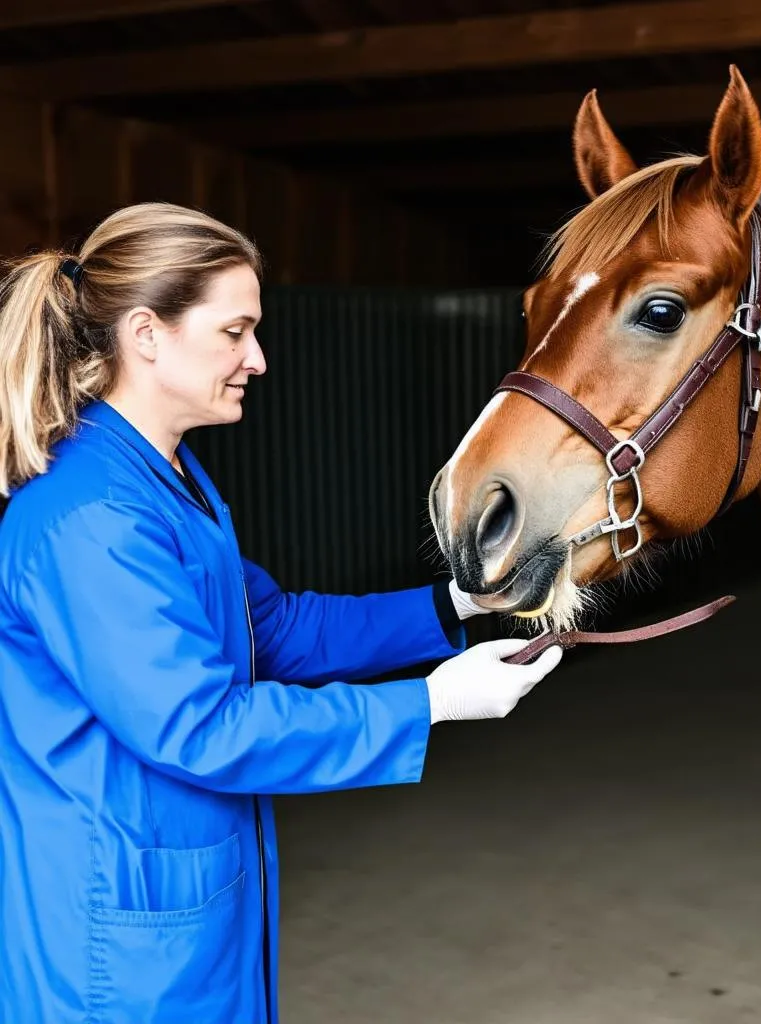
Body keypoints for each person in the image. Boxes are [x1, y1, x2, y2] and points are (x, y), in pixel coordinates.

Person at [0, 202, 562, 1024]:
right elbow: (201, 727)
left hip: (176, 912)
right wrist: (433, 702)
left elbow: (274, 629)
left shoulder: (166, 480)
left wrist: (459, 603)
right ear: (147, 335)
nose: (257, 359)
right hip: (112, 947)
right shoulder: (91, 518)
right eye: (236, 332)